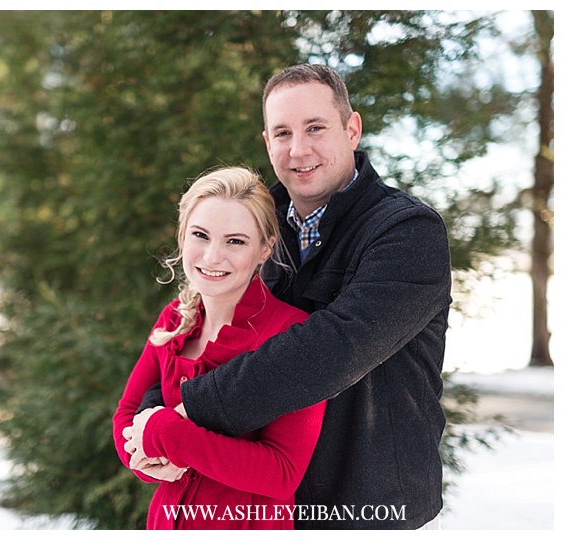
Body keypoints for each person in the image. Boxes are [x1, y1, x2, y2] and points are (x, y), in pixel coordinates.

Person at [123, 64, 452, 530]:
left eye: (315, 128)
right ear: (267, 142)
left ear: (351, 129)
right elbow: (206, 324)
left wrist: (187, 413)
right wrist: (152, 421)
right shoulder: (256, 224)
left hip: (373, 509)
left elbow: (334, 347)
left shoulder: (406, 232)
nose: (298, 149)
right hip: (269, 510)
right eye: (282, 133)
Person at [112, 167, 326, 530]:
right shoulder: (173, 321)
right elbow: (127, 414)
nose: (212, 257)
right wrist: (148, 463)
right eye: (200, 235)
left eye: (235, 241)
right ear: (182, 236)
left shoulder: (291, 333)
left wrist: (169, 438)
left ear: (265, 248)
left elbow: (283, 472)